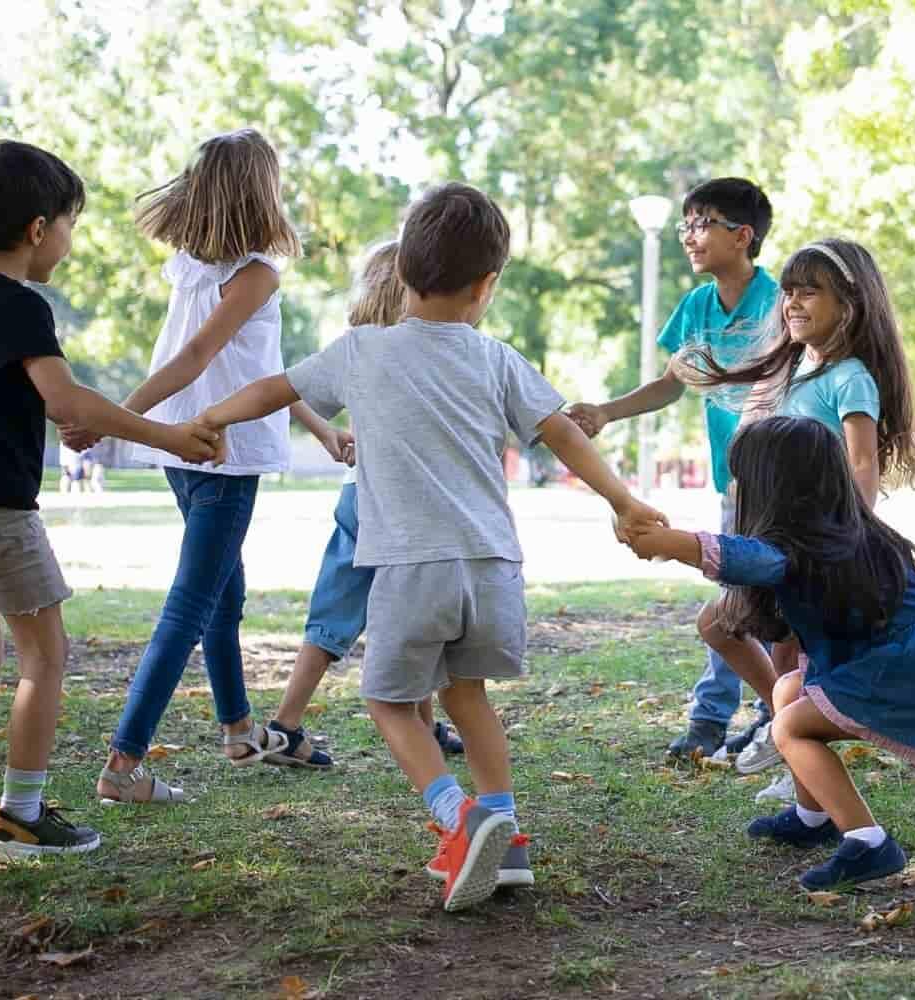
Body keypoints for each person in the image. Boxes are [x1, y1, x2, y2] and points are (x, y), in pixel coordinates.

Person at [197, 181, 666, 911]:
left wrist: (214, 416)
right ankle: (505, 837)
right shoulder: (495, 358)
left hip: (411, 568)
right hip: (493, 568)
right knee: (468, 697)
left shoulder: (361, 351)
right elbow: (563, 431)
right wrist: (624, 500)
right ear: (487, 286)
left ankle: (458, 818)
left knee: (387, 700)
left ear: (402, 274)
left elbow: (274, 389)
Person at [0, 140, 221, 867]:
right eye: (68, 224)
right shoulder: (21, 307)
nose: (69, 238)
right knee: (44, 658)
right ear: (37, 230)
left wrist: (81, 419)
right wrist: (169, 436)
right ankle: (20, 819)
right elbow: (64, 400)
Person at [78, 129, 353, 807]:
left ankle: (236, 729)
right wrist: (114, 416)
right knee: (192, 604)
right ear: (261, 190)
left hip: (187, 447)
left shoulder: (192, 267)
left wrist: (318, 425)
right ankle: (124, 762)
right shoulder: (253, 271)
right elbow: (199, 356)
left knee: (224, 597)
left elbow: (257, 367)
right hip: (219, 453)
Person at [623, 416, 915, 890]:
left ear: (775, 487)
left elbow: (747, 557)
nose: (734, 488)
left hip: (913, 668)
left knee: (790, 726)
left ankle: (869, 843)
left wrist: (670, 543)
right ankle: (813, 817)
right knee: (788, 692)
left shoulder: (804, 546)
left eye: (742, 478)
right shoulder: (837, 533)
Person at [676, 238, 915, 801]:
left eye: (810, 291)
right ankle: (777, 723)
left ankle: (796, 759)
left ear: (850, 305)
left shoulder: (850, 377)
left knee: (793, 654)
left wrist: (853, 533)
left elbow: (864, 463)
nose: (793, 301)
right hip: (772, 539)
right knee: (723, 625)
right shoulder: (791, 368)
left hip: (816, 547)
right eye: (788, 291)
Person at [567, 178, 777, 761]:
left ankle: (724, 719)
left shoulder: (781, 303)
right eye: (686, 224)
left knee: (743, 601)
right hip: (731, 482)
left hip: (782, 482)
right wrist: (606, 412)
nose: (690, 236)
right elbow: (669, 385)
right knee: (738, 598)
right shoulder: (696, 308)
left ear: (743, 236)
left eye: (702, 223)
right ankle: (763, 714)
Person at [263, 240, 466, 772]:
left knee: (333, 613)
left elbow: (289, 388)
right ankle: (419, 723)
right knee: (416, 609)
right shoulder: (424, 348)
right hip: (400, 503)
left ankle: (286, 724)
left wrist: (329, 432)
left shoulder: (356, 345)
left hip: (357, 496)